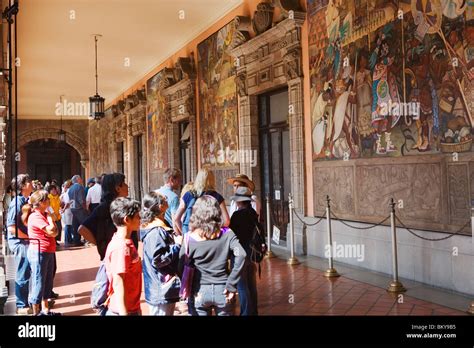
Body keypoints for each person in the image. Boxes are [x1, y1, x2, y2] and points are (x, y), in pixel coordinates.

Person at [178, 196, 246, 316]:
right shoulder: (227, 234)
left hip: (199, 291)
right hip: (224, 290)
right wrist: (232, 283)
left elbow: (180, 266)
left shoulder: (189, 238)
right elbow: (241, 254)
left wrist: (190, 286)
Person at [140, 192, 182, 315]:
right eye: (164, 199)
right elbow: (158, 259)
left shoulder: (159, 226)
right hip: (160, 287)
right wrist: (177, 246)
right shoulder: (156, 231)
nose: (166, 199)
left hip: (162, 285)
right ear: (159, 206)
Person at [79, 173, 134, 261]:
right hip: (113, 258)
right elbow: (82, 229)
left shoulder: (125, 205)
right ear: (118, 188)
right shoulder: (104, 208)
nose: (127, 186)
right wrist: (102, 244)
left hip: (127, 255)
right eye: (124, 183)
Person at [104, 197, 142, 316]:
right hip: (123, 310)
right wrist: (124, 312)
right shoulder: (121, 247)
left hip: (132, 308)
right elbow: (118, 281)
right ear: (127, 220)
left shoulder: (126, 242)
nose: (140, 219)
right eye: (137, 216)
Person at [25, 190, 61, 315]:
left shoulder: (43, 214)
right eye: (47, 200)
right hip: (39, 252)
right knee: (38, 281)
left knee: (47, 281)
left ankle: (45, 309)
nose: (49, 201)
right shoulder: (35, 216)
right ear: (40, 202)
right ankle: (36, 311)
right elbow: (52, 231)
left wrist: (51, 219)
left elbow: (55, 232)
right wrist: (51, 218)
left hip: (48, 250)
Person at [229, 186, 259, 316]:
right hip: (252, 252)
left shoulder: (237, 215)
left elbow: (232, 234)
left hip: (240, 253)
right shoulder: (253, 213)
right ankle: (253, 312)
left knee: (241, 285)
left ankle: (246, 313)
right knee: (251, 284)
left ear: (240, 201)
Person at [6, 174, 33, 315]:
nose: (32, 182)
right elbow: (11, 227)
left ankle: (28, 300)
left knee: (28, 269)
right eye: (28, 181)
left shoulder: (26, 200)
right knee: (23, 270)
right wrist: (27, 237)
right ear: (22, 186)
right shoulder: (17, 202)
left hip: (25, 240)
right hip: (19, 242)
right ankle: (21, 304)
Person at [173, 168, 229, 235]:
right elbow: (227, 221)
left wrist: (184, 233)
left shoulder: (188, 195)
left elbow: (176, 218)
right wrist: (215, 229)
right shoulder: (217, 197)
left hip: (191, 234)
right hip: (209, 235)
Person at [68, 175, 89, 246]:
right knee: (85, 224)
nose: (82, 180)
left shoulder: (70, 188)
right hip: (80, 208)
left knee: (76, 225)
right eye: (80, 179)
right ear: (77, 180)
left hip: (73, 208)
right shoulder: (80, 187)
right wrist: (85, 208)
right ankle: (87, 239)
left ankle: (76, 240)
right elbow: (81, 200)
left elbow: (70, 200)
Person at [60, 180, 74, 247]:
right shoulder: (69, 192)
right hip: (68, 210)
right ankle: (68, 239)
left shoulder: (66, 192)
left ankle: (68, 239)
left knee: (68, 225)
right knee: (68, 225)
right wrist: (64, 209)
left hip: (67, 210)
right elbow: (67, 202)